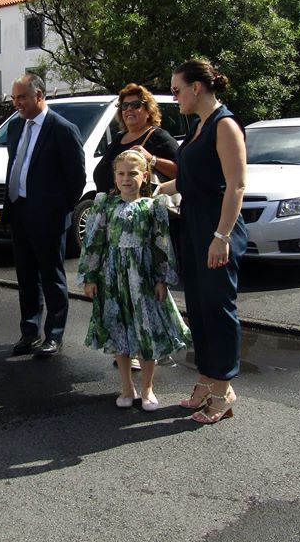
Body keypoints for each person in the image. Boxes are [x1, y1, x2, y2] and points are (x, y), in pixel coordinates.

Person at [157, 57, 247, 425]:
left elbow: (237, 185)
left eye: (177, 90)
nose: (175, 96)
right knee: (199, 307)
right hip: (193, 226)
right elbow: (190, 180)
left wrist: (221, 236)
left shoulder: (224, 125)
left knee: (218, 309)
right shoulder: (198, 127)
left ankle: (223, 391)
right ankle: (207, 381)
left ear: (196, 87)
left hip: (216, 227)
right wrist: (156, 189)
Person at [78, 150, 190, 411]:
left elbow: (162, 245)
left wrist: (162, 279)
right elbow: (94, 243)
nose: (126, 179)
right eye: (121, 174)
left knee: (145, 330)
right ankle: (127, 386)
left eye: (132, 174)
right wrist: (90, 276)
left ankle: (148, 388)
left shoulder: (153, 208)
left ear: (145, 176)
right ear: (114, 177)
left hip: (144, 279)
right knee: (120, 331)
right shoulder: (105, 206)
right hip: (113, 277)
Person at [4, 73, 86, 357]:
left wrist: (58, 210)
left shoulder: (62, 129)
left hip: (49, 218)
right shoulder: (15, 128)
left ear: (39, 95)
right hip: (20, 213)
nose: (17, 103)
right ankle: (29, 332)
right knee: (26, 278)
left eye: (22, 97)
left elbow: (77, 178)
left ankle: (54, 334)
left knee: (51, 277)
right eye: (14, 98)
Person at [92, 83, 180, 194]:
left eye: (136, 105)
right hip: (112, 207)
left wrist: (152, 160)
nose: (129, 109)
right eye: (125, 106)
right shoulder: (119, 138)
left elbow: (183, 173)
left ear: (148, 111)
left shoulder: (159, 137)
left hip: (142, 209)